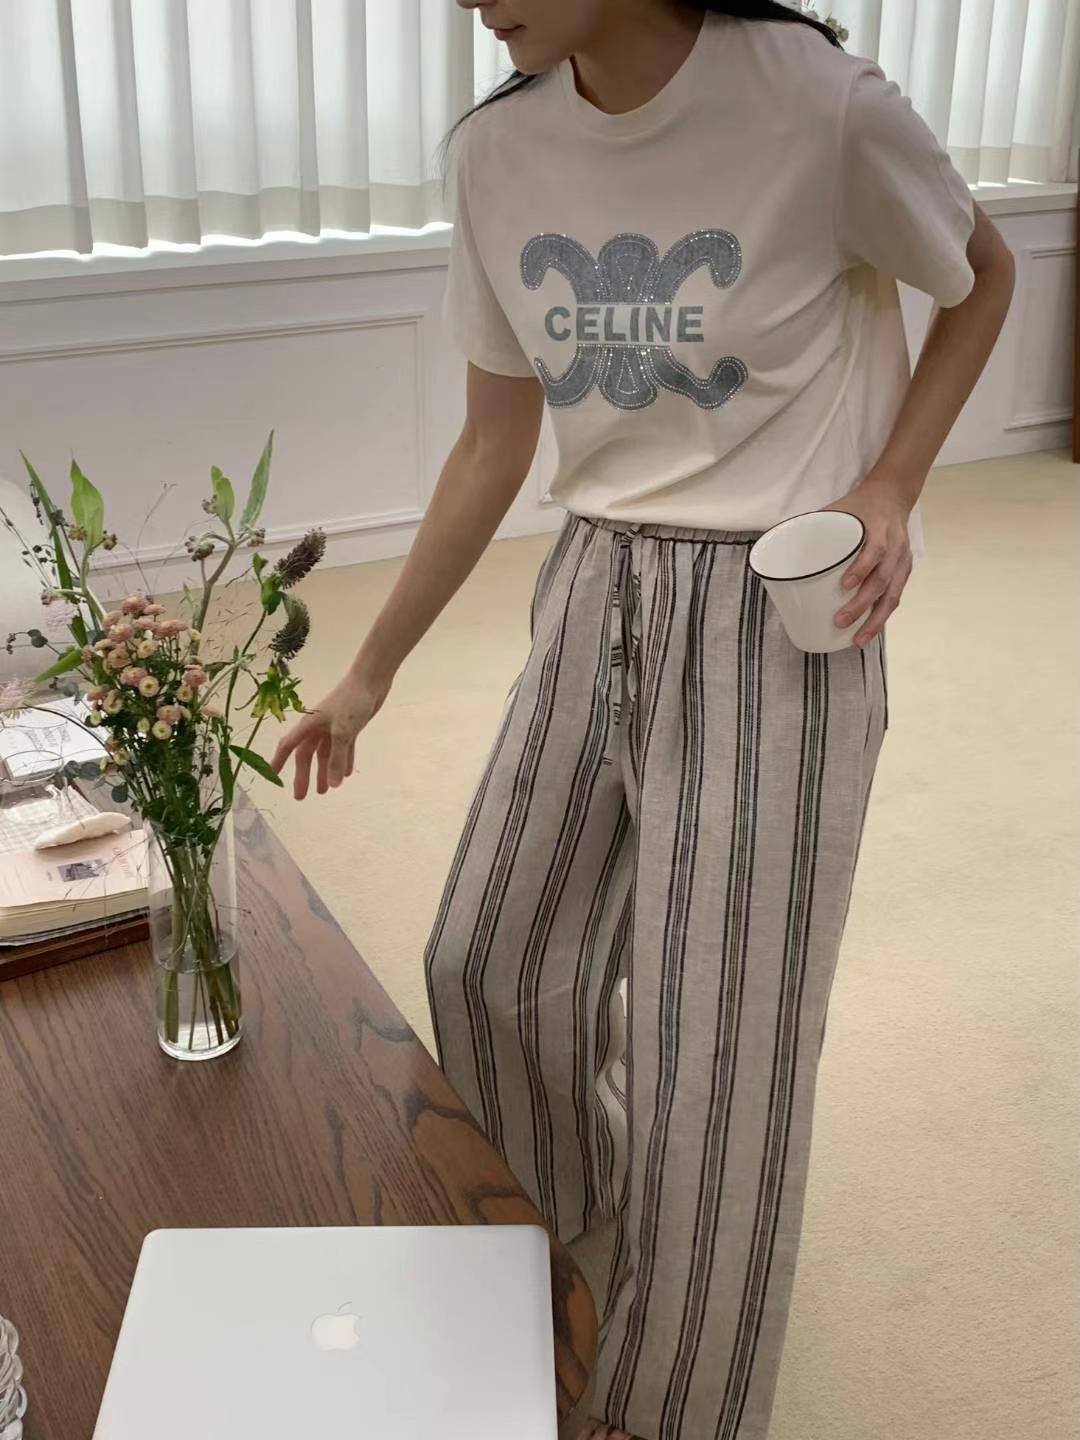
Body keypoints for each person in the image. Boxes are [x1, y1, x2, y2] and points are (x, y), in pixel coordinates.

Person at [272, 3, 1015, 1436]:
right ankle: (571, 1230)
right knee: (485, 957)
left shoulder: (822, 104)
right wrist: (369, 670)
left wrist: (895, 483)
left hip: (776, 609)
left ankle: (673, 1409)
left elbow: (984, 274)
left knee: (717, 1062)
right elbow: (494, 438)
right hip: (593, 580)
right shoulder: (500, 153)